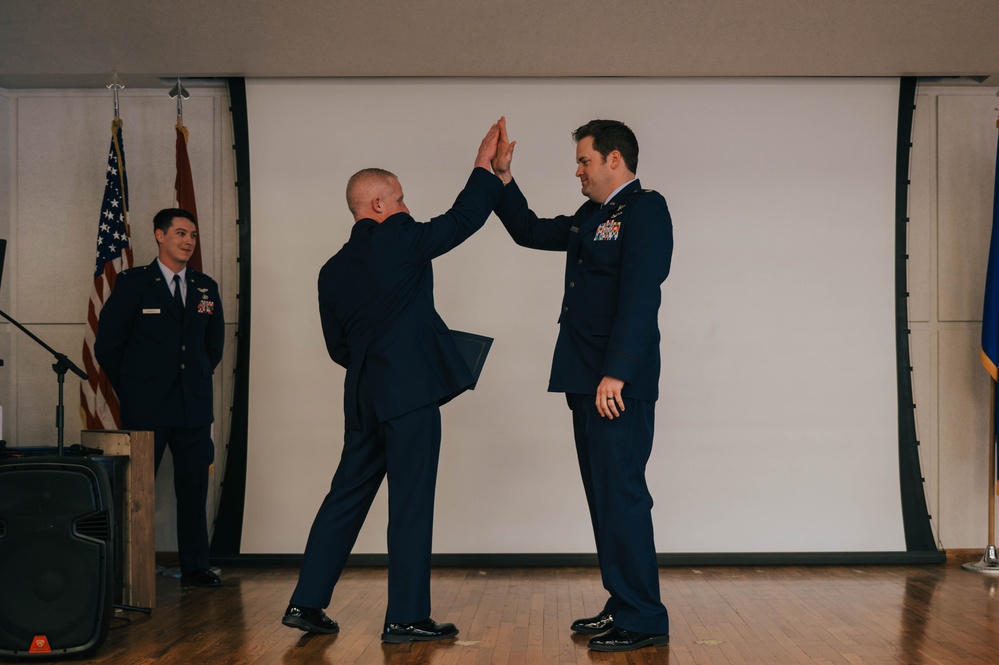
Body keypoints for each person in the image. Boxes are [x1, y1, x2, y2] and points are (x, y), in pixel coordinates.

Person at [281, 121, 505, 642]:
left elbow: (339, 348)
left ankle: (306, 603)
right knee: (410, 502)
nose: (408, 207)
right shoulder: (399, 238)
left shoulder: (331, 269)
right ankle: (405, 617)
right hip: (408, 397)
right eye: (401, 198)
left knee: (344, 499)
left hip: (362, 398)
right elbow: (462, 220)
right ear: (378, 205)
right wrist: (483, 166)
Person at [491, 118, 672, 652]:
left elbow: (642, 294)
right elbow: (528, 230)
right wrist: (503, 178)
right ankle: (623, 603)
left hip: (617, 383)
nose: (578, 172)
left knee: (622, 497)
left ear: (615, 159)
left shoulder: (645, 210)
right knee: (604, 500)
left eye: (584, 161)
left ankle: (644, 617)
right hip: (585, 379)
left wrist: (616, 370)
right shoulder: (591, 217)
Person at [95, 208, 225, 588]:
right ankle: (127, 568)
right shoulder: (134, 283)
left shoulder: (205, 287)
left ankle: (195, 566)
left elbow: (211, 346)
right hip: (147, 407)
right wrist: (136, 386)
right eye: (181, 233)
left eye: (193, 235)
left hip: (193, 407)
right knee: (137, 493)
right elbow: (108, 346)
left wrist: (196, 377)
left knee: (194, 489)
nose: (188, 241)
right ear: (159, 235)